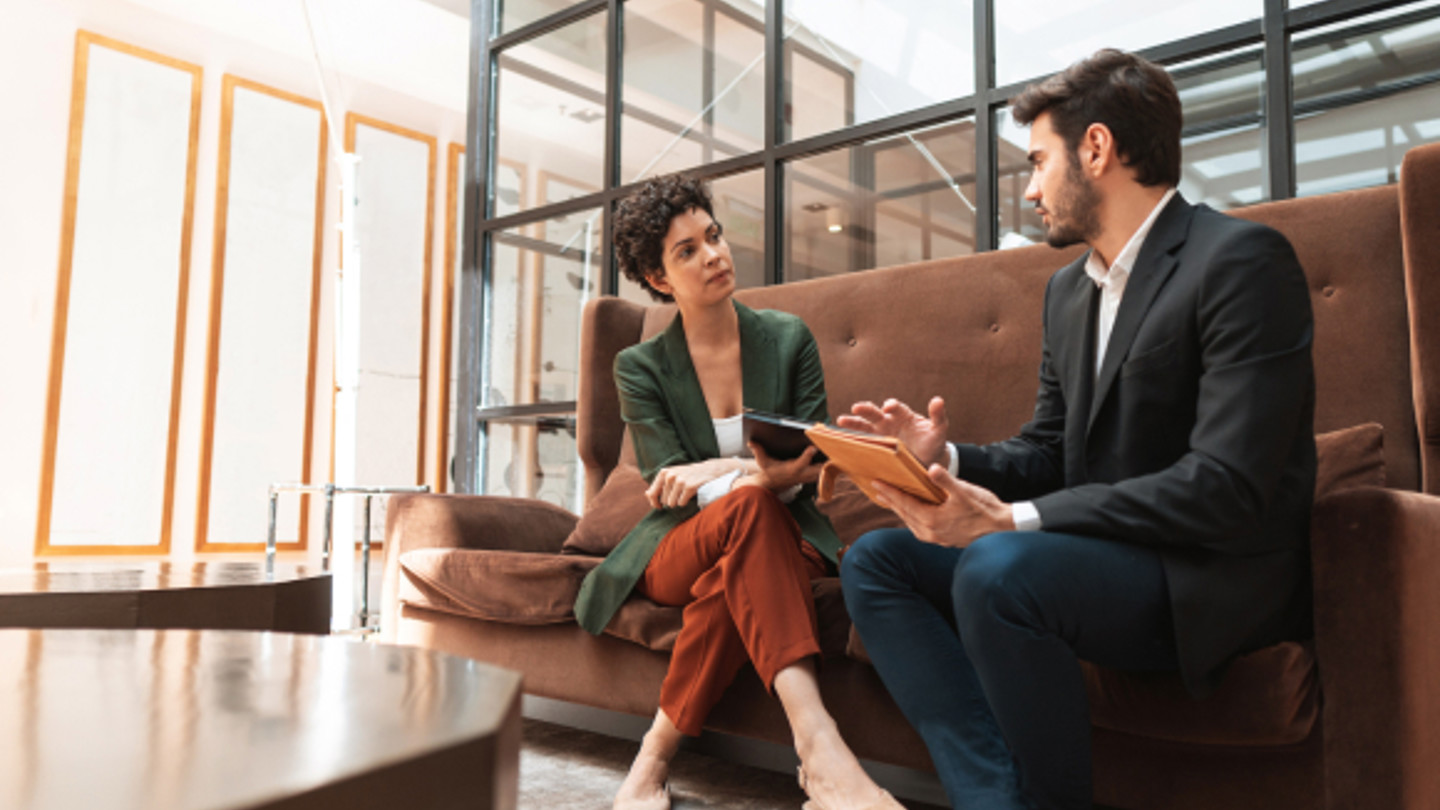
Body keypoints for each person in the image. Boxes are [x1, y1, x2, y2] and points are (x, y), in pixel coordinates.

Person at [838, 49, 1316, 810]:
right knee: (877, 561)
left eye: (1036, 162)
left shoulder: (1241, 262)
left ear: (1096, 149)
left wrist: (1008, 520)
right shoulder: (1068, 291)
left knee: (998, 568)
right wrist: (947, 457)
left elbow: (1226, 486)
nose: (1028, 189)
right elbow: (1050, 451)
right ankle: (995, 799)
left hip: (1202, 573)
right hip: (1095, 558)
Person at [574, 175, 903, 810]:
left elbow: (814, 457)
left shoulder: (787, 338)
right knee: (749, 506)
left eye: (714, 237)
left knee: (734, 573)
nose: (714, 256)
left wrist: (719, 472)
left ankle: (653, 760)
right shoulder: (638, 367)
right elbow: (670, 486)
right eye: (687, 251)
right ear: (659, 278)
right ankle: (822, 751)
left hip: (785, 535)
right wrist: (749, 478)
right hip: (678, 543)